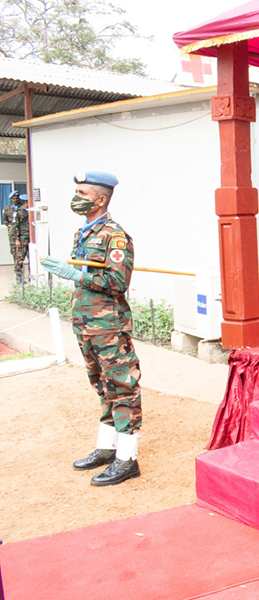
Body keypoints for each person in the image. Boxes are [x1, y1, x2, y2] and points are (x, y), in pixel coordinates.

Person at [41, 171, 142, 487]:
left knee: (122, 386)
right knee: (101, 386)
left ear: (100, 199)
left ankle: (127, 459)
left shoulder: (116, 236)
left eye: (82, 193)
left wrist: (74, 275)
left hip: (108, 325)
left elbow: (117, 282)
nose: (77, 197)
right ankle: (107, 447)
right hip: (85, 324)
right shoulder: (83, 232)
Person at [3, 191, 30, 283]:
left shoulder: (23, 209)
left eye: (17, 198)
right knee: (18, 257)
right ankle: (19, 277)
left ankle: (30, 276)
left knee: (28, 257)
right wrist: (16, 238)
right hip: (17, 237)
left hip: (26, 237)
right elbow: (9, 223)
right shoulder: (9, 210)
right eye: (14, 198)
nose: (16, 200)